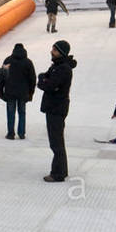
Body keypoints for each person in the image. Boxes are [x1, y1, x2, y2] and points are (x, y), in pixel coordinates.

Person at [38, 40, 75, 181]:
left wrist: (43, 81)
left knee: (56, 142)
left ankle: (58, 173)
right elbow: (43, 78)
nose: (51, 51)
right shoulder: (56, 66)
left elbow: (49, 85)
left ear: (61, 52)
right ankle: (61, 170)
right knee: (56, 140)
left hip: (56, 107)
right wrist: (43, 79)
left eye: (54, 50)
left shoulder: (63, 69)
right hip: (53, 106)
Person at [1, 43, 36, 140]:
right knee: (22, 112)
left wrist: (1, 91)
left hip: (10, 91)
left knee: (10, 112)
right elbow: (32, 79)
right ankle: (21, 133)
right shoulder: (28, 62)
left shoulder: (8, 61)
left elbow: (2, 76)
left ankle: (11, 133)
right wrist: (31, 92)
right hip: (23, 92)